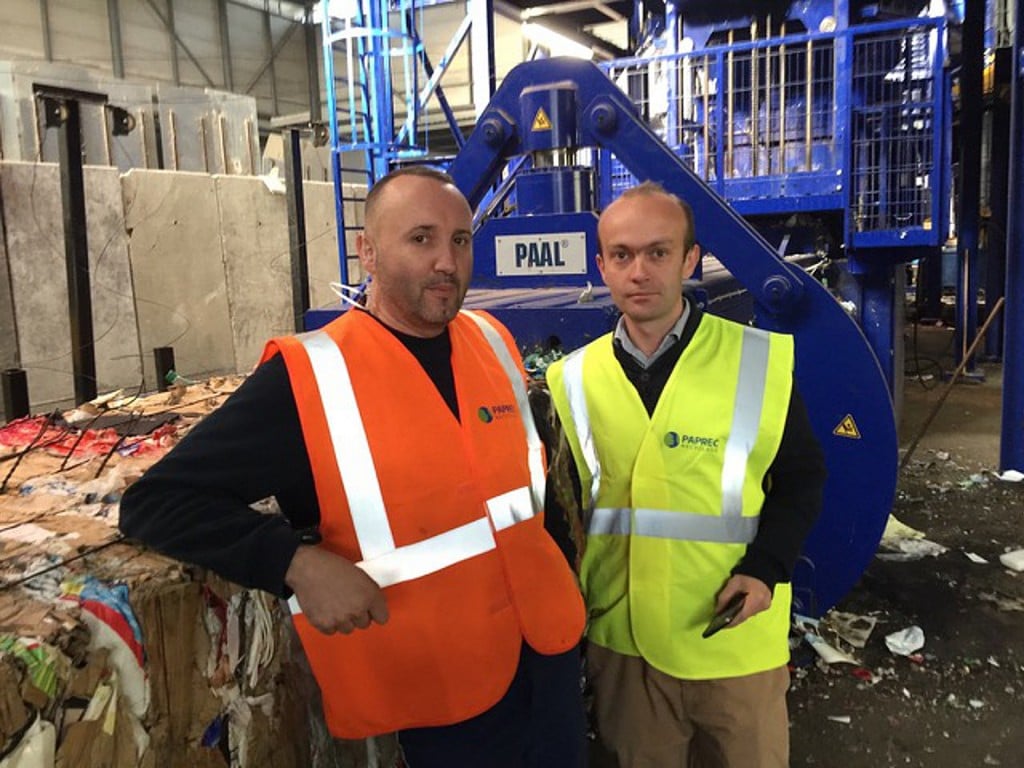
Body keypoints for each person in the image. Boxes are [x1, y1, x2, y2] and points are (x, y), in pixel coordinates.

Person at [119, 166, 588, 768]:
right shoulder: (311, 376)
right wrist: (294, 563)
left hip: (546, 647)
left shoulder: (491, 340)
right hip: (441, 688)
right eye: (420, 239)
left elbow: (520, 493)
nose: (447, 261)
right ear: (367, 251)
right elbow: (158, 501)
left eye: (460, 240)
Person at [545, 182, 827, 768]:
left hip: (730, 638)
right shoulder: (571, 380)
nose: (639, 271)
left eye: (658, 252)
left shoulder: (755, 362)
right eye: (622, 255)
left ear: (689, 260)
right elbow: (563, 510)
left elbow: (801, 479)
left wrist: (764, 570)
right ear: (602, 266)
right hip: (623, 645)